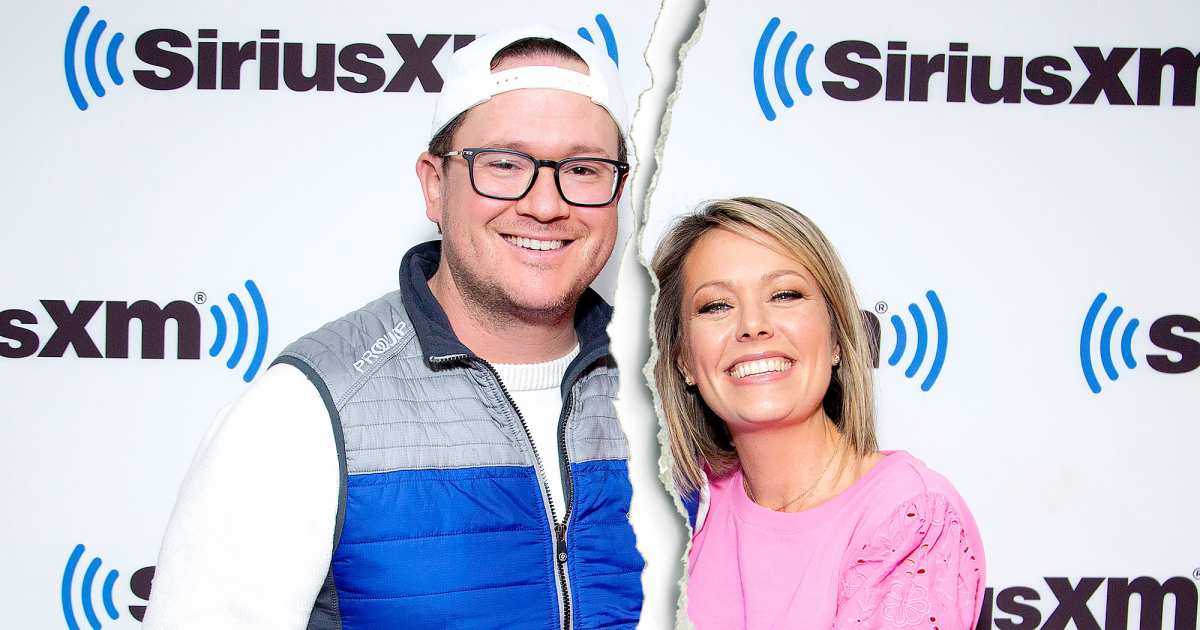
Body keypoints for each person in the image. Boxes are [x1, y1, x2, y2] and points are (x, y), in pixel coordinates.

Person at [144, 26, 643, 630]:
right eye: (504, 164)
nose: (545, 204)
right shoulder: (305, 410)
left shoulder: (671, 390)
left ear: (619, 192)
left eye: (584, 169)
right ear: (435, 185)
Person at [650, 197, 985, 629]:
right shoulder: (681, 509)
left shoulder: (911, 515)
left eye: (785, 295)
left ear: (837, 338)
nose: (752, 325)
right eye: (716, 306)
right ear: (682, 359)